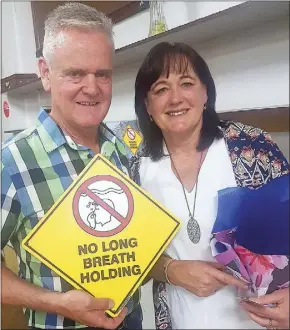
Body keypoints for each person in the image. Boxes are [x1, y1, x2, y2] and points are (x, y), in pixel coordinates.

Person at [1, 3, 142, 330]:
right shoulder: (11, 161)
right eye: (75, 73)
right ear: (45, 72)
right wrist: (57, 302)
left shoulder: (122, 150)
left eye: (102, 74)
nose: (91, 88)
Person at [130, 42, 290, 329]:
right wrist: (171, 271)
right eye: (161, 89)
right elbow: (132, 254)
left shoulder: (251, 146)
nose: (175, 98)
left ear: (206, 93)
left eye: (186, 83)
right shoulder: (137, 170)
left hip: (259, 321)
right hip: (180, 320)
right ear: (147, 105)